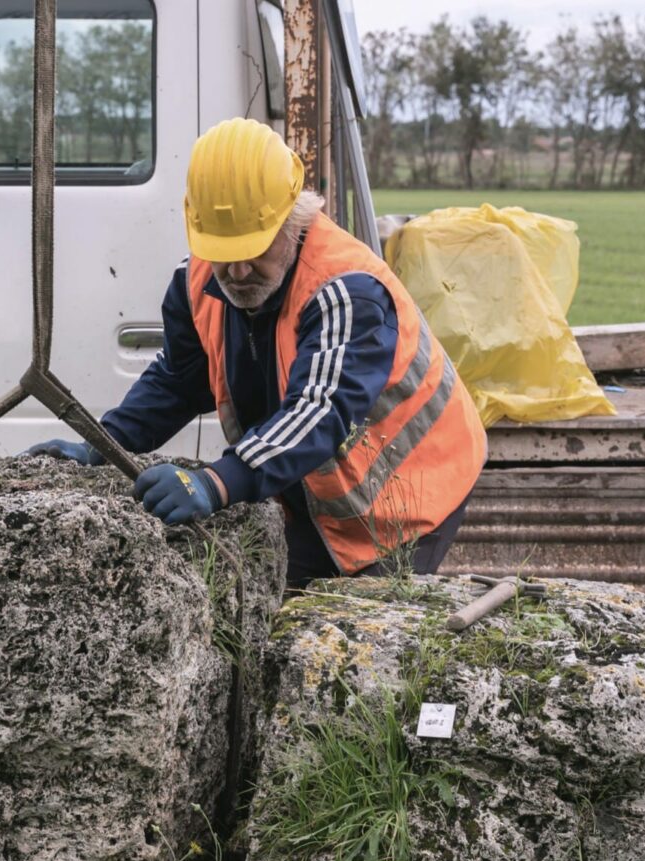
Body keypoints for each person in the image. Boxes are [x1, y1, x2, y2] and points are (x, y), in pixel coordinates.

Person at [28, 118, 487, 588]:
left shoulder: (347, 291)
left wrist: (218, 482)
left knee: (355, 635)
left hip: (407, 498)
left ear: (293, 219)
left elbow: (319, 411)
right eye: (223, 250)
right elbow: (178, 382)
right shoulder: (197, 282)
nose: (239, 269)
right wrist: (103, 444)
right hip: (308, 487)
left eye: (255, 248)